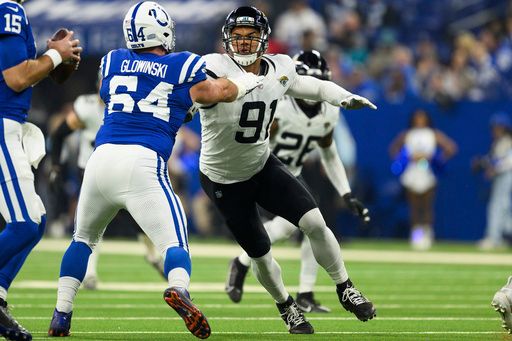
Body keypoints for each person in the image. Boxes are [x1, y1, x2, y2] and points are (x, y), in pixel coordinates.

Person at [47, 2, 263, 339]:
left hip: (100, 159)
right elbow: (216, 92)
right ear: (160, 29)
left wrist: (178, 105)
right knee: (175, 242)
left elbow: (133, 93)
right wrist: (249, 81)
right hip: (142, 163)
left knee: (83, 240)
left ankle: (61, 314)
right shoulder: (183, 64)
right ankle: (179, 289)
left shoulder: (113, 61)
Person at [198, 6, 377, 335]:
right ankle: (287, 306)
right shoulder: (212, 66)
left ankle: (345, 287)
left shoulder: (279, 68)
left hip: (263, 164)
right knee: (261, 254)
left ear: (264, 40)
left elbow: (317, 88)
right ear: (226, 40)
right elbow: (192, 92)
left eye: (251, 36)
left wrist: (345, 97)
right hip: (223, 178)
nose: (243, 43)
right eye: (237, 37)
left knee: (315, 222)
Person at [225, 50, 370, 314]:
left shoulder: (328, 112)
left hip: (291, 174)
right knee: (288, 228)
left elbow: (328, 151)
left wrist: (346, 193)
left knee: (313, 227)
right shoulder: (278, 105)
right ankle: (243, 261)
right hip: (263, 171)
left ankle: (304, 292)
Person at [0, 0, 81, 339]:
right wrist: (56, 55)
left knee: (35, 219)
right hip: (3, 125)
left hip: (10, 125)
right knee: (24, 223)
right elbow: (17, 79)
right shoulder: (8, 10)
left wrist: (53, 60)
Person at [48, 85, 167, 289]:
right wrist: (56, 166)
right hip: (91, 170)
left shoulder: (133, 107)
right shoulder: (87, 107)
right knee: (92, 224)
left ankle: (153, 255)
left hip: (123, 169)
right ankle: (90, 273)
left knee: (141, 218)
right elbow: (59, 133)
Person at [389, 109, 457, 250]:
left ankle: (428, 235)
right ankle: (416, 236)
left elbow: (451, 148)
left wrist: (437, 159)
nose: (420, 121)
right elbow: (393, 149)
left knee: (427, 207)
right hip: (412, 173)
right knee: (414, 207)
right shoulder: (408, 134)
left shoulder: (433, 134)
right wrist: (404, 159)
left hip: (427, 172)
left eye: (422, 118)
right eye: (417, 118)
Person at [474, 112, 512, 249]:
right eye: (494, 128)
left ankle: (493, 238)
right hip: (501, 177)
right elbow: (493, 159)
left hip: (507, 176)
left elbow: (508, 161)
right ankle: (499, 237)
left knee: (498, 206)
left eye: (499, 127)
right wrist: (483, 162)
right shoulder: (499, 143)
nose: (496, 130)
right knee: (503, 208)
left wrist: (493, 169)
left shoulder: (508, 141)